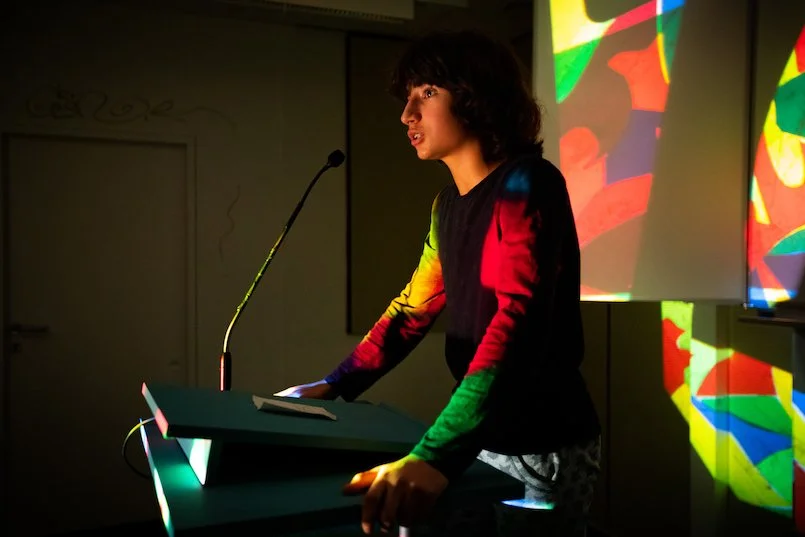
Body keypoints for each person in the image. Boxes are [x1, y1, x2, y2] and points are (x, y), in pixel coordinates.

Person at [276, 29, 602, 537]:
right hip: (481, 437)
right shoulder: (445, 206)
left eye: (426, 93)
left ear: (476, 96)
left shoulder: (527, 184)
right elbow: (412, 309)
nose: (407, 114)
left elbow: (516, 322)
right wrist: (337, 385)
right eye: (407, 97)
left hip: (540, 445)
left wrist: (434, 454)